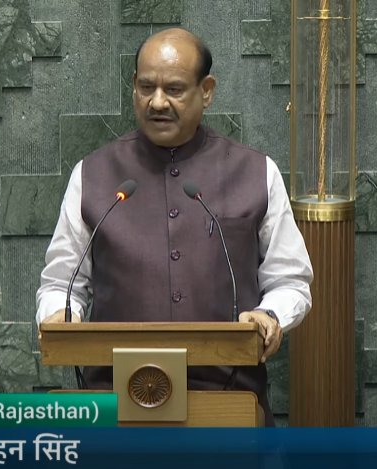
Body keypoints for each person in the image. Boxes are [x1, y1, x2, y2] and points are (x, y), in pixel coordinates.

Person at [35, 27, 313, 426]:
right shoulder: (92, 175)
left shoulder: (257, 172)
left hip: (228, 408)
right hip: (115, 411)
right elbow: (61, 283)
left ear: (207, 90)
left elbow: (291, 280)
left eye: (175, 89)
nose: (157, 102)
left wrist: (270, 314)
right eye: (146, 87)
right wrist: (60, 316)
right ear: (133, 86)